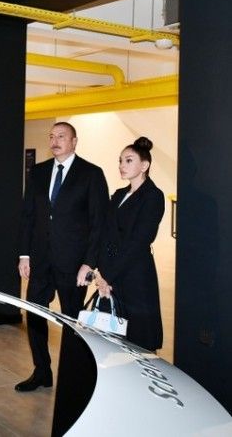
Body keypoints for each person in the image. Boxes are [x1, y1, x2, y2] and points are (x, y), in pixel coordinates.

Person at [16, 122, 108, 392]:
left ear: (74, 141)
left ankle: (72, 376)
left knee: (72, 321)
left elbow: (98, 223)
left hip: (74, 264)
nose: (55, 141)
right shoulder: (38, 172)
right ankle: (42, 371)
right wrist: (24, 255)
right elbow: (28, 215)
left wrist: (89, 263)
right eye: (52, 136)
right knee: (34, 314)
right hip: (40, 261)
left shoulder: (91, 174)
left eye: (61, 136)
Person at [94, 137, 165, 351]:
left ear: (144, 165)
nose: (122, 165)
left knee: (139, 339)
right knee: (111, 339)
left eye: (128, 160)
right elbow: (104, 234)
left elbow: (140, 241)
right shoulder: (118, 195)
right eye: (120, 161)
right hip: (111, 274)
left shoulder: (153, 196)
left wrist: (108, 275)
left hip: (135, 275)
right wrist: (101, 273)